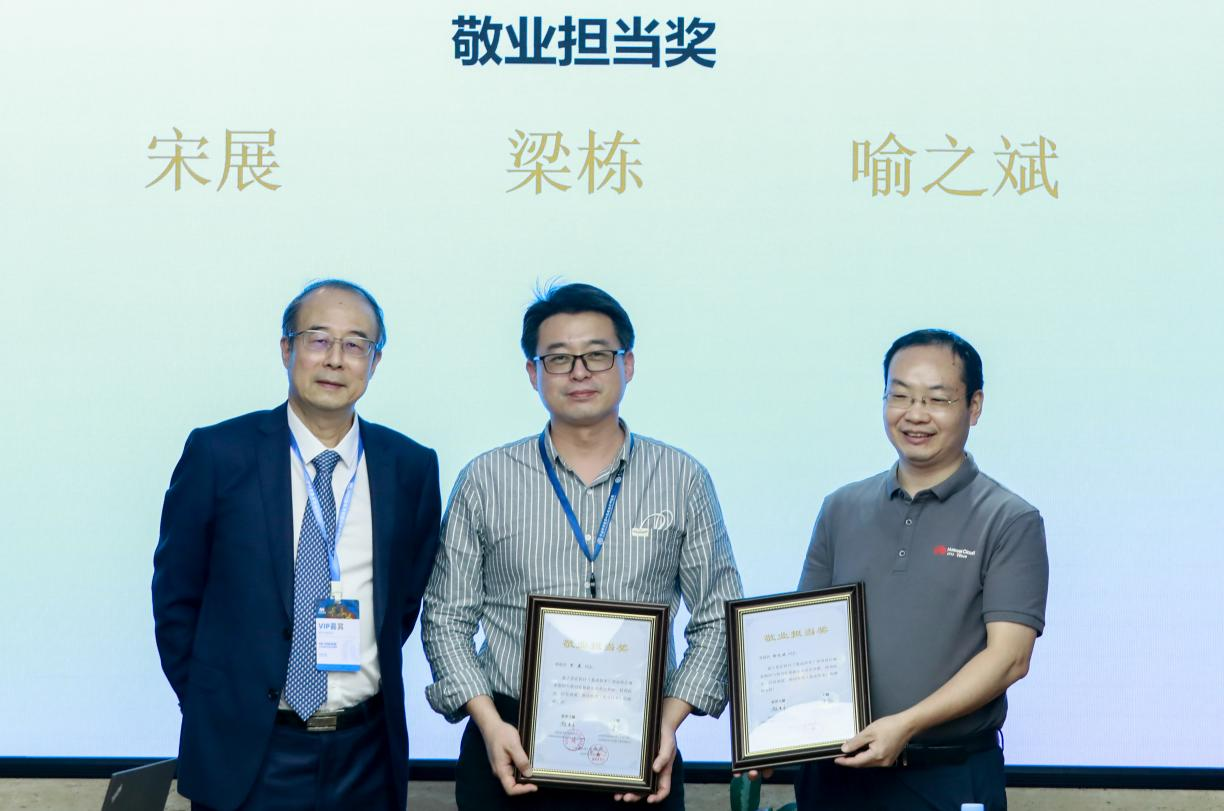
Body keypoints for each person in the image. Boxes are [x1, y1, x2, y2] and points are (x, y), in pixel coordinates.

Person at [421, 282, 743, 810]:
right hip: (510, 745)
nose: (579, 372)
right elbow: (445, 618)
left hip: (642, 749)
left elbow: (718, 616)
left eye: (597, 355)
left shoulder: (681, 478)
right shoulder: (486, 479)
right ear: (533, 373)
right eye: (558, 358)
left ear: (627, 364)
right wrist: (489, 723)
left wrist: (665, 723)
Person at [152, 280, 441, 811]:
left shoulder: (410, 466)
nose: (335, 359)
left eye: (355, 344)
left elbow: (403, 604)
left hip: (365, 753)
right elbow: (176, 597)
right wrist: (214, 706)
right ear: (286, 349)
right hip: (247, 751)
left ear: (375, 361)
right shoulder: (219, 453)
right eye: (318, 339)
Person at [794, 329, 1048, 811]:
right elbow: (807, 634)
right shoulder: (841, 507)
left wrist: (906, 724)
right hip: (835, 772)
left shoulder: (1009, 519)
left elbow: (1010, 658)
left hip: (948, 775)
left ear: (974, 406)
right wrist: (775, 732)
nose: (915, 414)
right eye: (900, 395)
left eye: (937, 399)